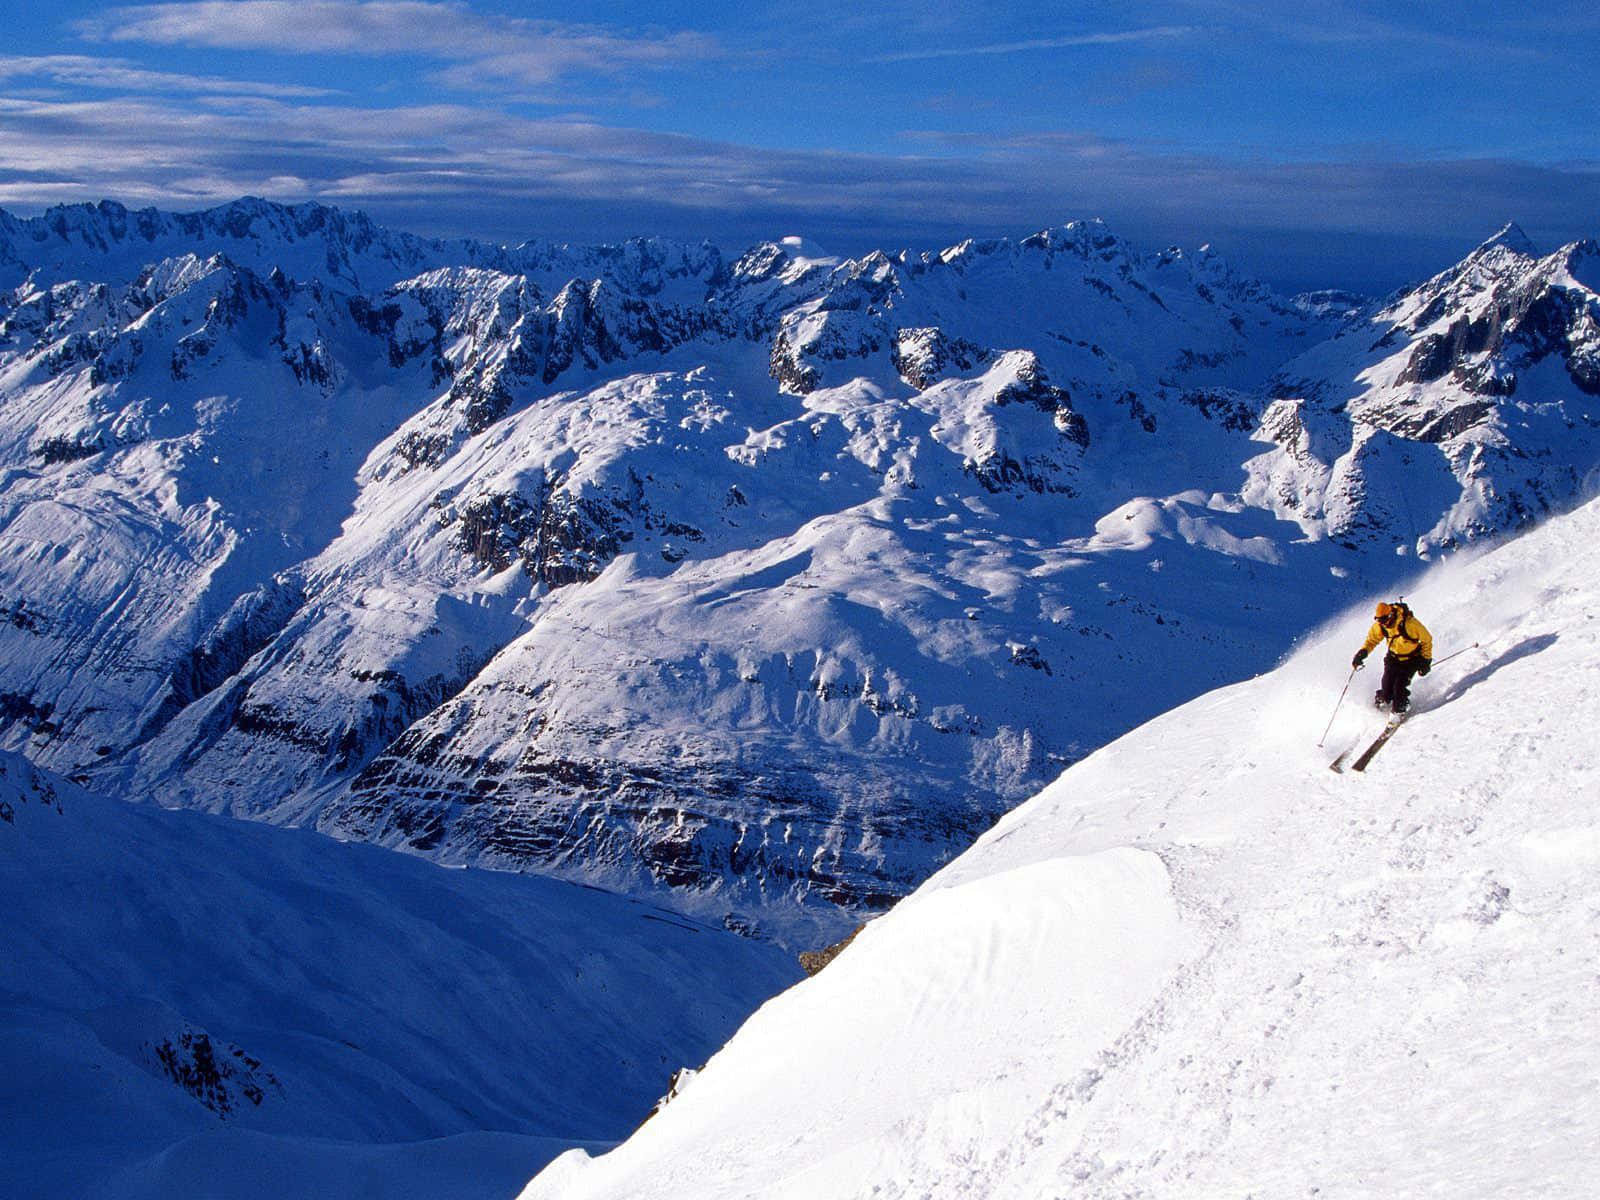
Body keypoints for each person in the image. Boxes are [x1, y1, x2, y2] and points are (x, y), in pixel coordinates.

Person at [1352, 601, 1433, 714]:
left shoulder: (1409, 624)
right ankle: (1381, 701)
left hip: (1411, 660)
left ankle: (1399, 709)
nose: (1382, 623)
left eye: (1384, 620)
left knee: (1399, 688)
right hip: (1393, 659)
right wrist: (1361, 654)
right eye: (1379, 620)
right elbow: (1372, 640)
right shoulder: (1380, 626)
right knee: (1387, 691)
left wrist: (1426, 660)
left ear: (1390, 615)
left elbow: (1427, 640)